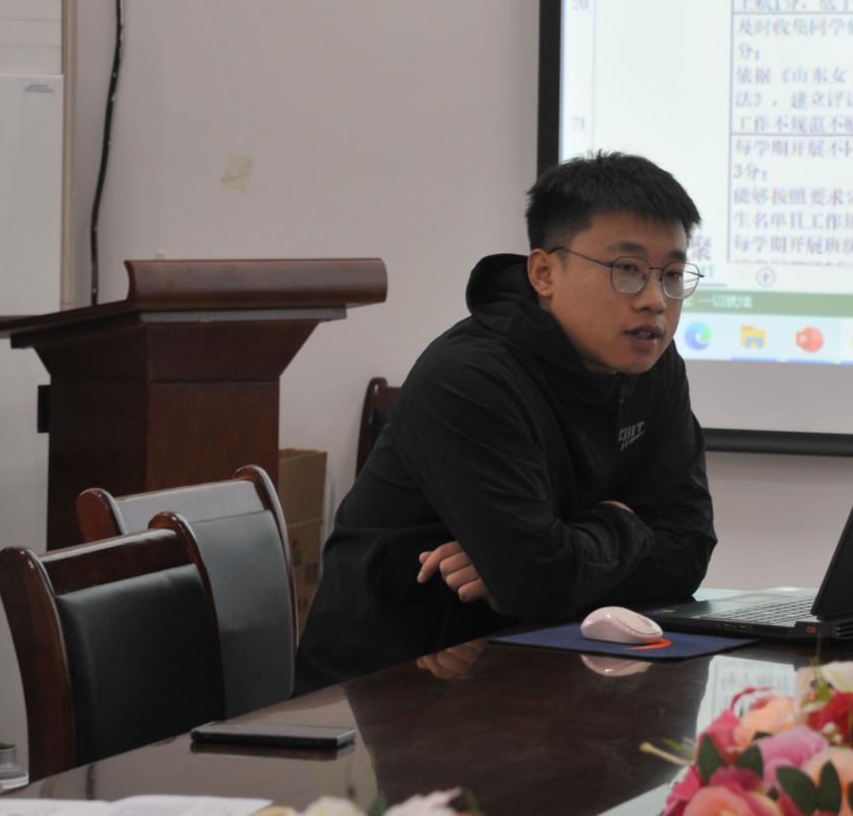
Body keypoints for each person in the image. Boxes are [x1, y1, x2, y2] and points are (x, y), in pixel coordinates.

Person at [295, 152, 716, 690]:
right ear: (544, 272)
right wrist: (624, 522)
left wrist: (554, 555)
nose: (655, 301)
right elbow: (537, 581)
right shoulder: (470, 378)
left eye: (673, 275)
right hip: (388, 689)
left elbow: (687, 553)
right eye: (627, 270)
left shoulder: (655, 366)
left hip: (540, 670)